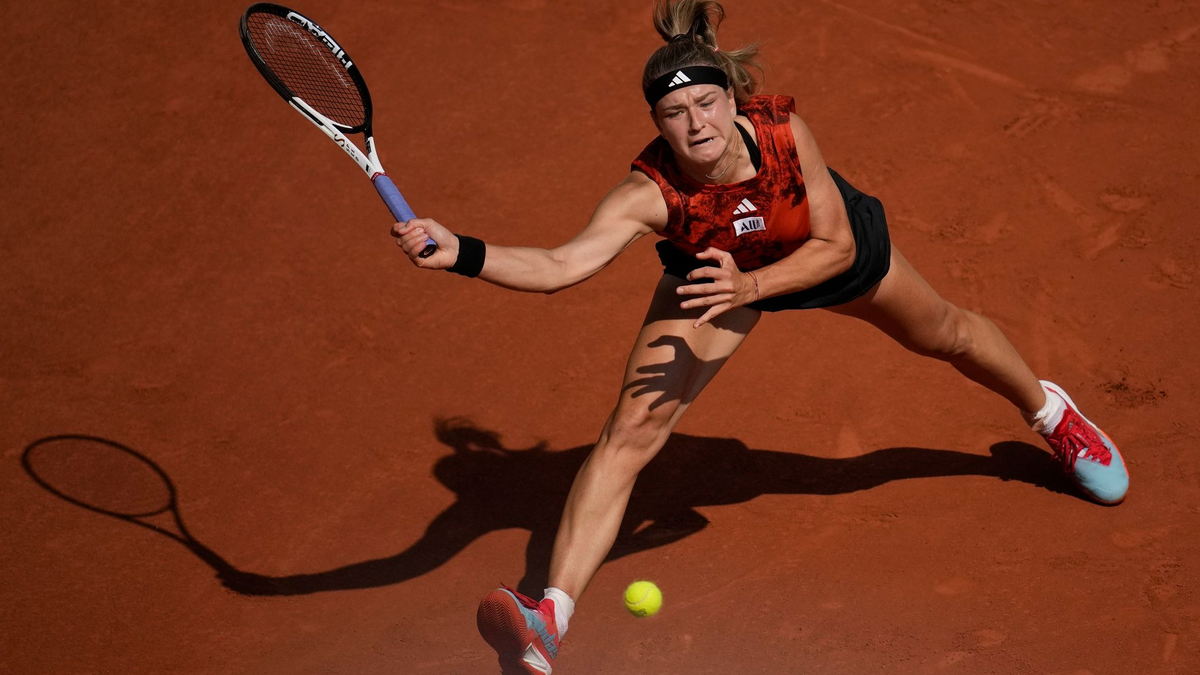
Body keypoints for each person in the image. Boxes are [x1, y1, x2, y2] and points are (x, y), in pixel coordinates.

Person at [392, 1, 1129, 672]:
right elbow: (560, 265)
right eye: (674, 112)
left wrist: (752, 285)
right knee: (630, 431)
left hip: (814, 252)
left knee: (945, 333)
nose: (696, 124)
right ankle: (549, 615)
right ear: (657, 123)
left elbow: (836, 247)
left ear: (730, 100)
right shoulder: (648, 193)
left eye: (707, 102)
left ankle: (1053, 416)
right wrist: (464, 251)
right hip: (713, 277)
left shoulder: (782, 133)